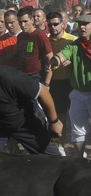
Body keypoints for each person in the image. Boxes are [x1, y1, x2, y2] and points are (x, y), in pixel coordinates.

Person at [48, 14, 91, 158]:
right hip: (78, 93)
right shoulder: (75, 45)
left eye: (86, 24)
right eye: (80, 24)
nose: (82, 27)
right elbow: (63, 54)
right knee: (78, 130)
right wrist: (55, 60)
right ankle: (80, 161)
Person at [47, 11, 77, 156]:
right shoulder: (46, 41)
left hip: (71, 83)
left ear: (63, 24)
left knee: (76, 117)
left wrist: (72, 60)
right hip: (54, 84)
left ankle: (78, 148)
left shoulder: (73, 40)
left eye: (56, 24)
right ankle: (60, 147)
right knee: (60, 117)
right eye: (50, 24)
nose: (53, 27)